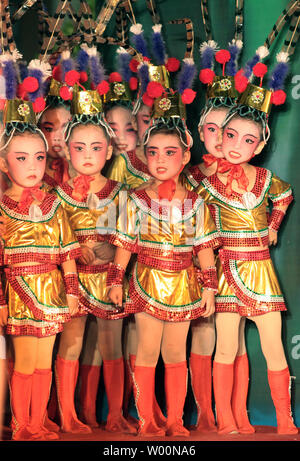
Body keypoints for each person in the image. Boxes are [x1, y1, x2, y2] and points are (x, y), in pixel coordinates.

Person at [108, 83, 221, 437]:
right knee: (146, 352)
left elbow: (204, 249)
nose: (159, 159)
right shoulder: (134, 198)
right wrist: (115, 280)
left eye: (169, 152)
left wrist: (210, 290)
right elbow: (125, 244)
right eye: (153, 151)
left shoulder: (198, 203)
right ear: (144, 152)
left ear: (186, 156)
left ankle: (174, 419)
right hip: (146, 281)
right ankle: (147, 421)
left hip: (185, 285)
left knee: (175, 354)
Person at [195, 64, 297, 434]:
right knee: (226, 347)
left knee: (274, 347)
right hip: (224, 271)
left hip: (260, 270)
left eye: (248, 140)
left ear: (262, 144)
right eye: (231, 136)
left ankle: (285, 420)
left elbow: (284, 195)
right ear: (220, 135)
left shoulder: (266, 178)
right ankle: (226, 419)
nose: (237, 146)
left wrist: (272, 227)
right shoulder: (205, 183)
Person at [53, 56, 137, 435]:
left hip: (108, 280)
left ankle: (114, 413)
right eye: (79, 148)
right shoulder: (55, 195)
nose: (87, 156)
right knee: (72, 345)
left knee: (111, 346)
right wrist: (71, 253)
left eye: (96, 148)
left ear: (110, 151)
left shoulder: (121, 192)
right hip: (70, 282)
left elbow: (127, 238)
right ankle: (73, 415)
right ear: (67, 150)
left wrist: (116, 274)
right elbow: (51, 239)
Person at [0, 54, 81, 441]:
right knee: (25, 362)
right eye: (21, 158)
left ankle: (36, 424)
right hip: (18, 292)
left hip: (51, 292)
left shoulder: (54, 203)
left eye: (38, 157)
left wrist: (72, 294)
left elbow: (67, 253)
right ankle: (20, 426)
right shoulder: (1, 208)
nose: (32, 166)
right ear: (3, 163)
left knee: (45, 361)